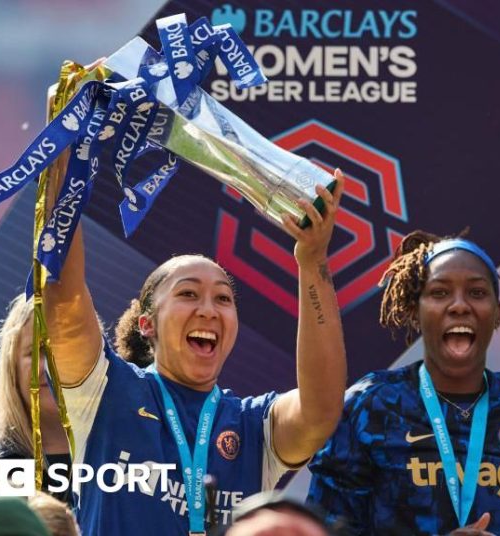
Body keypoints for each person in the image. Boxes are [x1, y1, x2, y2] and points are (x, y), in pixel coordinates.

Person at [44, 155, 348, 536]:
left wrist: (313, 260)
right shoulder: (102, 393)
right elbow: (64, 302)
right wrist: (62, 152)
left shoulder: (254, 427)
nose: (209, 310)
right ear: (147, 324)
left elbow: (321, 410)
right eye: (188, 293)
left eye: (223, 299)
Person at [307, 230, 500, 535]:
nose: (459, 306)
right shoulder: (370, 407)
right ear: (415, 311)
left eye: (477, 293)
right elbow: (321, 530)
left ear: (497, 313)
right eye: (440, 293)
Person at [0, 295, 71, 503]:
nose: (51, 367)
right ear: (12, 365)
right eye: (37, 352)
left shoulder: (128, 453)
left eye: (64, 350)